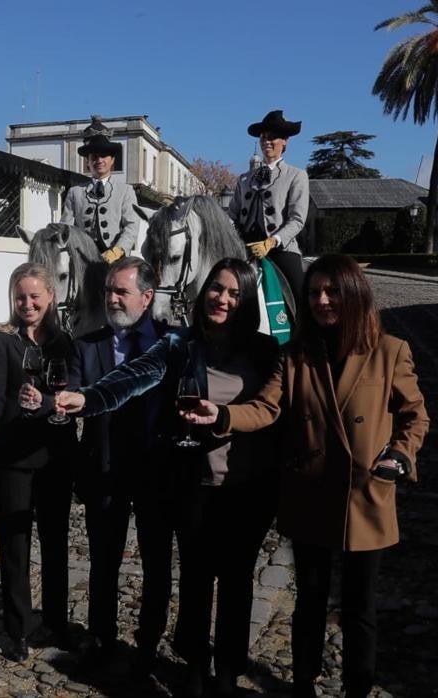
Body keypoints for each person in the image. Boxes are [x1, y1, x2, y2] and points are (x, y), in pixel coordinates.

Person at [182, 254, 429, 698]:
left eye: (332, 291)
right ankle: (302, 683)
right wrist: (222, 414)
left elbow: (415, 416)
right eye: (314, 292)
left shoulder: (390, 351)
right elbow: (266, 407)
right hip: (310, 493)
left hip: (365, 496)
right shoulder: (295, 355)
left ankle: (357, 687)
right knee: (310, 601)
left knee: (359, 608)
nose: (322, 300)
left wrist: (400, 454)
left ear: (353, 294)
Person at [57, 258, 281, 697]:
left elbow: (276, 410)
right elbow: (135, 375)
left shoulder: (265, 351)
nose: (222, 299)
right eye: (217, 288)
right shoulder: (181, 343)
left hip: (247, 485)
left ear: (248, 299)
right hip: (194, 480)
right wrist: (89, 399)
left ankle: (227, 671)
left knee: (237, 582)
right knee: (196, 579)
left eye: (235, 293)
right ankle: (195, 665)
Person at [66, 257, 172, 689]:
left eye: (121, 292)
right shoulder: (86, 344)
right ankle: (101, 637)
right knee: (104, 561)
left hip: (153, 473)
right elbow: (70, 392)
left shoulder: (169, 344)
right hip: (104, 469)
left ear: (147, 298)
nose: (110, 298)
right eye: (108, 290)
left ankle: (147, 647)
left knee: (157, 566)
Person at [0, 262, 77, 662]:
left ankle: (55, 621)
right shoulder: (0, 340)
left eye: (35, 296)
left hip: (56, 455)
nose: (28, 303)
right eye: (21, 297)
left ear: (51, 296)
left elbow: (72, 395)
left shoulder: (64, 341)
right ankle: (17, 628)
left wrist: (56, 405)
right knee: (14, 547)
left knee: (56, 543)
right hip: (14, 457)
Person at [229, 109, 309, 297]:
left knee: (299, 293)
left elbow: (297, 219)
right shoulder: (244, 179)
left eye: (272, 138)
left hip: (279, 248)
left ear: (284, 142)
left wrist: (272, 241)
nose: (267, 142)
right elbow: (232, 215)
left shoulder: (296, 175)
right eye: (263, 138)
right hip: (244, 247)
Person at [61, 124, 139, 263]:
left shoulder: (125, 191)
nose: (99, 161)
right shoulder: (75, 192)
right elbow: (66, 226)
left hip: (114, 258)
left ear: (112, 160)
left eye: (104, 156)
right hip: (81, 258)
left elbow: (132, 226)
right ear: (88, 161)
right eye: (94, 157)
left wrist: (118, 250)